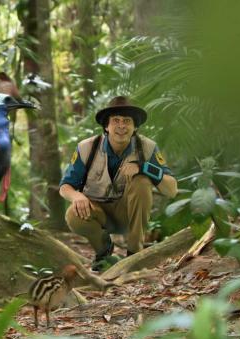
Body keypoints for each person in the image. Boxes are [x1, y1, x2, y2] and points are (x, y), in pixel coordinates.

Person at [59, 96, 178, 271]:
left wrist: (143, 167)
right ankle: (103, 252)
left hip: (128, 215)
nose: (121, 125)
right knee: (73, 215)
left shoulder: (147, 148)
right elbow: (65, 186)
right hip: (98, 212)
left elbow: (172, 189)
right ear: (106, 126)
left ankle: (134, 254)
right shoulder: (86, 148)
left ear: (135, 127)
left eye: (127, 121)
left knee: (142, 182)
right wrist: (76, 196)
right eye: (116, 120)